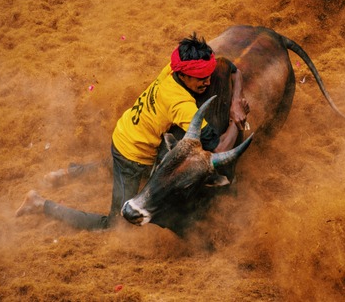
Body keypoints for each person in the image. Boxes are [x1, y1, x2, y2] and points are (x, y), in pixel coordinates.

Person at [15, 33, 250, 230]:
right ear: (184, 74)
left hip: (130, 131)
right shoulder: (181, 105)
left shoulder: (172, 68)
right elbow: (218, 147)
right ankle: (39, 204)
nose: (207, 83)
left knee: (120, 164)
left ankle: (67, 174)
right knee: (114, 225)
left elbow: (230, 67)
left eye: (209, 76)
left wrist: (236, 98)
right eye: (200, 79)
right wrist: (234, 120)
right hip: (132, 154)